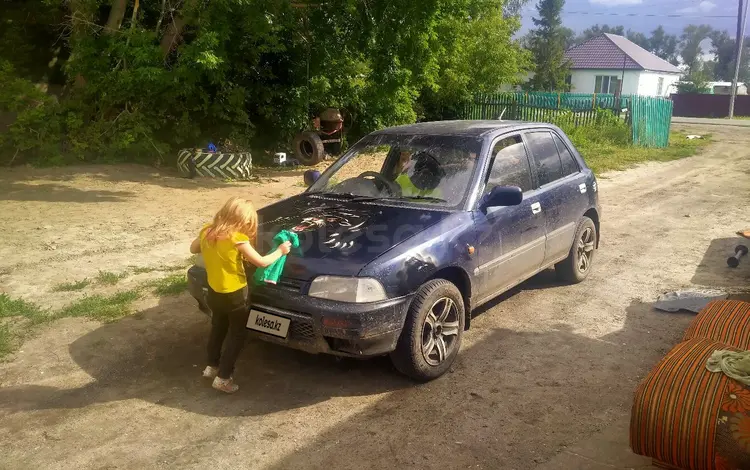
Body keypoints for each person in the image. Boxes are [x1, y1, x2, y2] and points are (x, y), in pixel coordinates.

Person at [190, 197, 291, 393]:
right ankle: (224, 378)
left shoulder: (207, 231)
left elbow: (193, 248)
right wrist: (281, 250)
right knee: (237, 335)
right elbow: (262, 262)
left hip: (214, 292)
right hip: (235, 295)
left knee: (218, 327)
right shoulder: (237, 239)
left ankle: (212, 367)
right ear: (242, 220)